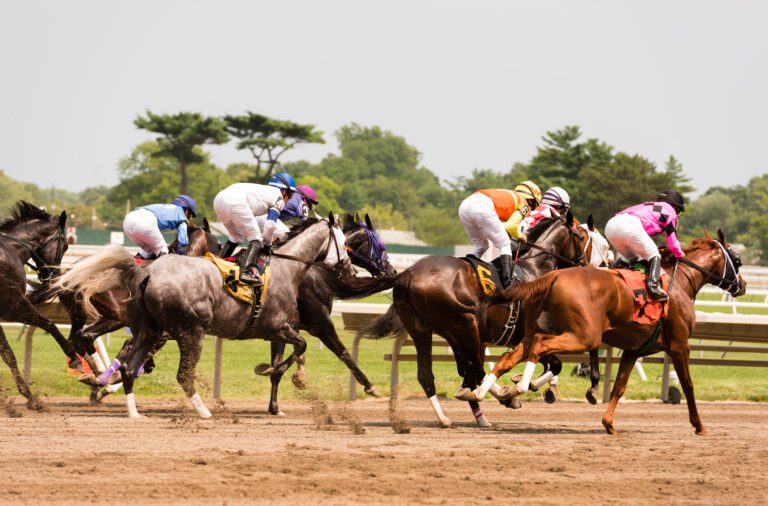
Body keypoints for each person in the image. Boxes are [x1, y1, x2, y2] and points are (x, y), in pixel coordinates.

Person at [213, 172, 297, 284]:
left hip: (218, 200)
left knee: (236, 237)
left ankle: (217, 264)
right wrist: (267, 245)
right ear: (284, 190)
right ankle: (246, 272)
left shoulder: (263, 191)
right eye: (290, 195)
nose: (289, 199)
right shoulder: (279, 197)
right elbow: (270, 224)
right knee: (256, 238)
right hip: (235, 201)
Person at [604, 189, 686, 301]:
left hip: (610, 226)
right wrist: (680, 255)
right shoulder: (670, 212)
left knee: (630, 259)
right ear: (675, 206)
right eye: (679, 211)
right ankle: (653, 287)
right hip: (628, 226)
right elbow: (673, 243)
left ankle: (608, 277)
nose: (677, 214)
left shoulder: (649, 205)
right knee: (654, 254)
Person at [458, 181, 542, 288]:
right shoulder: (524, 204)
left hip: (464, 206)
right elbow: (510, 227)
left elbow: (503, 226)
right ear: (531, 200)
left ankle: (466, 270)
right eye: (534, 206)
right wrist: (521, 236)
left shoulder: (511, 196)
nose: (532, 210)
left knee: (481, 246)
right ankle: (507, 282)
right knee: (505, 244)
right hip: (481, 207)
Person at [123, 195, 197, 259]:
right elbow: (183, 241)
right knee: (163, 250)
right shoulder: (181, 215)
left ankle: (134, 268)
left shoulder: (167, 207)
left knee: (148, 250)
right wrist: (182, 255)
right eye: (190, 216)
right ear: (186, 211)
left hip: (128, 221)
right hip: (145, 221)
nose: (189, 218)